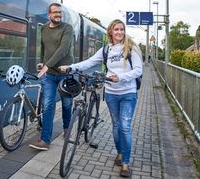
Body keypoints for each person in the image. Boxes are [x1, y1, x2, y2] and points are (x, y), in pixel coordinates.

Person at [59, 19, 142, 178]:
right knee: (116, 125)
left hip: (128, 93)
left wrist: (121, 77)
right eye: (116, 30)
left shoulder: (131, 48)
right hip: (111, 93)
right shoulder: (106, 50)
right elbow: (89, 62)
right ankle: (119, 153)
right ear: (110, 32)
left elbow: (138, 70)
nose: (119, 32)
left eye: (121, 29)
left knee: (125, 126)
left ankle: (125, 162)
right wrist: (72, 67)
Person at [29, 2, 74, 151]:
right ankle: (45, 140)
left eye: (60, 13)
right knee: (48, 105)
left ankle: (67, 128)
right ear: (49, 15)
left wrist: (47, 64)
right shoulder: (43, 29)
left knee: (67, 103)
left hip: (64, 73)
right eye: (55, 12)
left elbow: (63, 49)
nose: (58, 15)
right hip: (49, 75)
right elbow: (43, 48)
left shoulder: (67, 28)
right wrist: (43, 62)